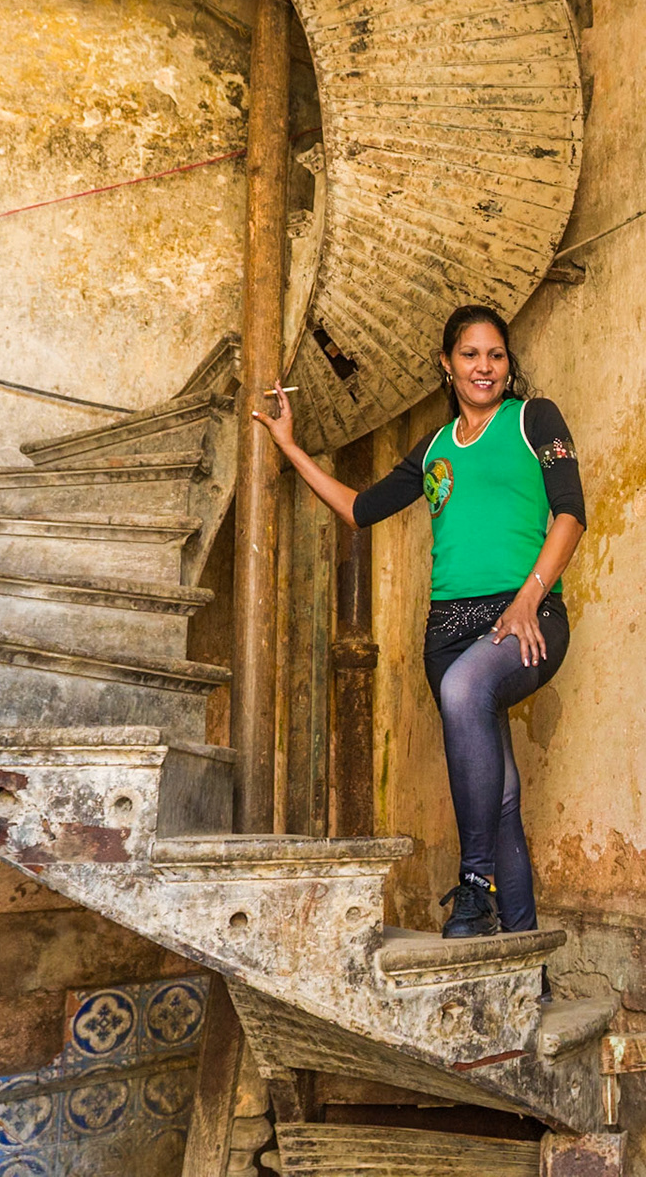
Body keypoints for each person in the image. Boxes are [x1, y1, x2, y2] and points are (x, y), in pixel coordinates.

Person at [255, 304, 585, 943]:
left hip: (527, 616)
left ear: (507, 363)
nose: (484, 367)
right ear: (447, 364)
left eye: (495, 355)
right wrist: (289, 445)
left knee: (467, 691)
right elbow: (359, 508)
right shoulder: (434, 446)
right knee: (505, 802)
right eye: (470, 355)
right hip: (448, 630)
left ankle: (475, 887)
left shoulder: (533, 419)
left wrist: (527, 597)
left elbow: (570, 514)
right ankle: (526, 964)